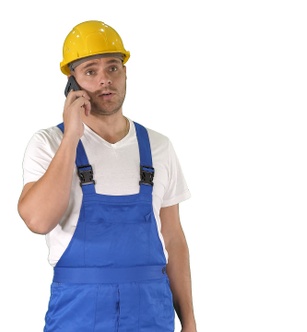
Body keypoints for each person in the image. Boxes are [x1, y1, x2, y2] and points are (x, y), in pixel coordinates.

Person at [17, 20, 197, 332]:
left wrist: (190, 322)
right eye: (90, 71)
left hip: (151, 314)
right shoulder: (49, 144)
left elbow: (175, 240)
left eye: (113, 68)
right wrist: (72, 136)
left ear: (125, 73)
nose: (105, 80)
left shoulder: (159, 147)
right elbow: (38, 221)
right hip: (78, 314)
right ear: (72, 82)